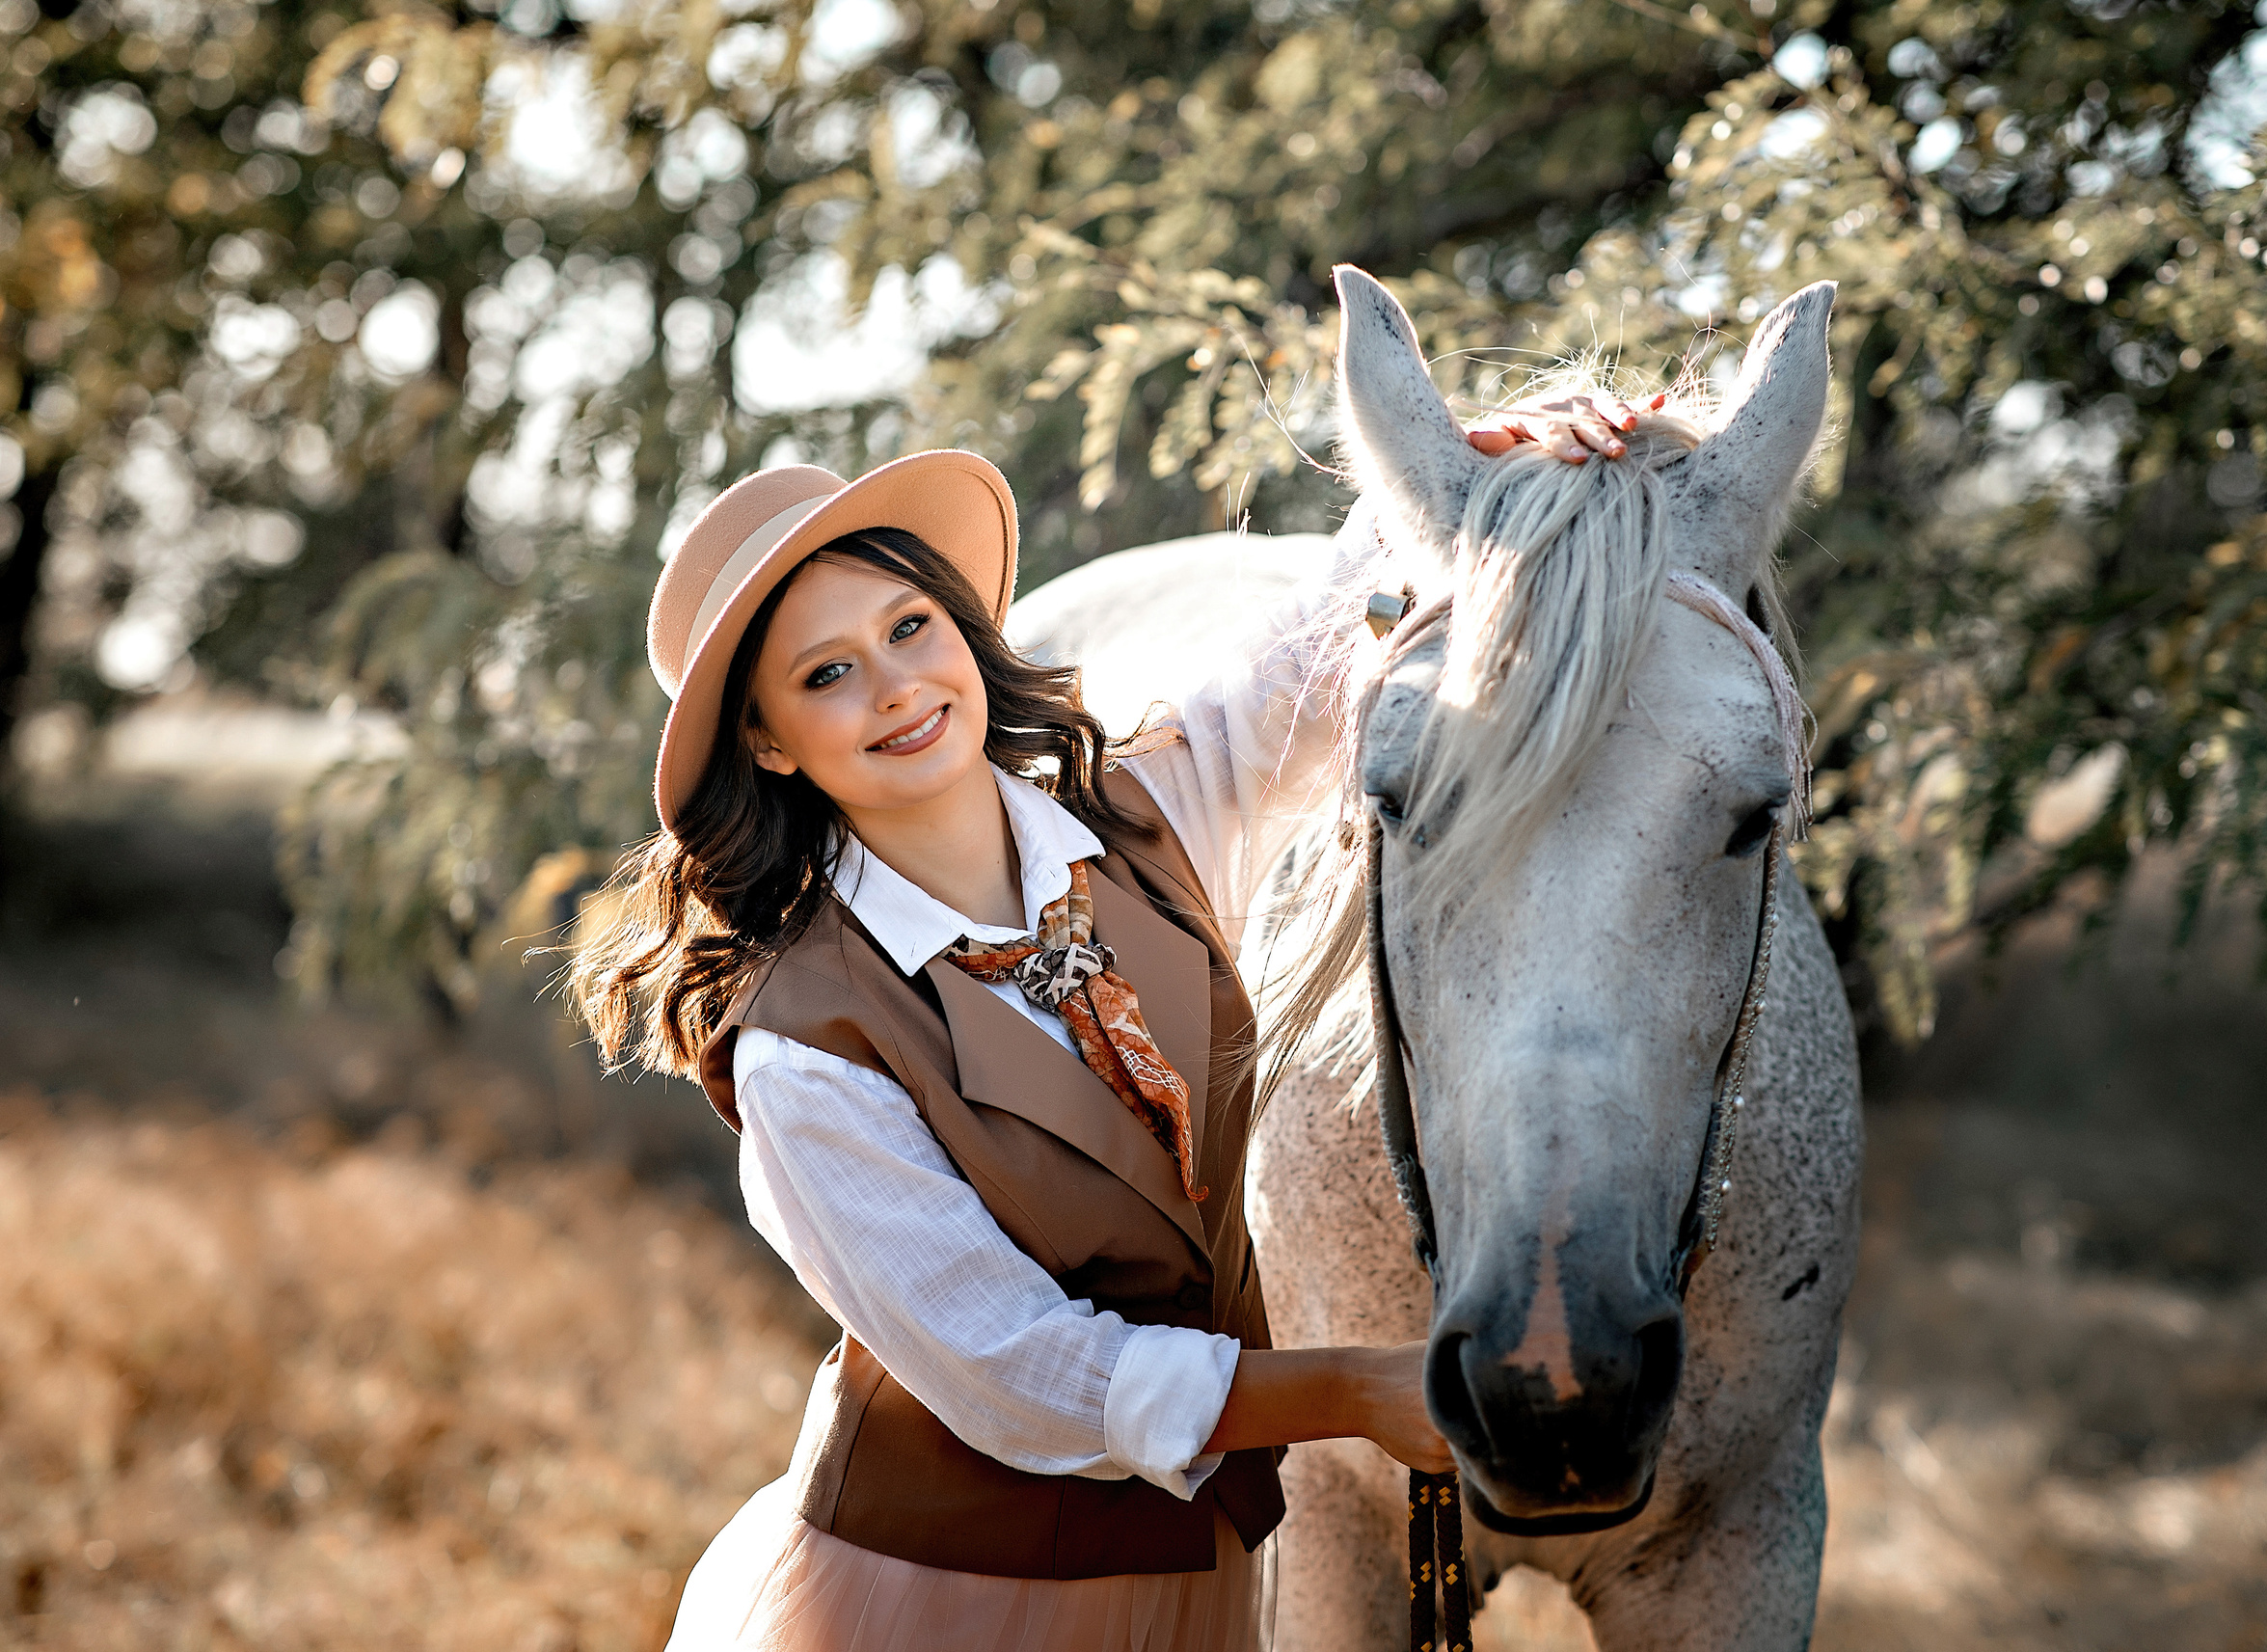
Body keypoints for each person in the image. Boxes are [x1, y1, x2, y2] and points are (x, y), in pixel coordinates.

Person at [570, 394, 1636, 1652]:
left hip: (1200, 1565)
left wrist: (1494, 457)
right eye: (827, 673)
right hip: (941, 1594)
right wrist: (1351, 1386)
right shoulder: (807, 1040)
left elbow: (1312, 656)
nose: (898, 686)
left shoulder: (1140, 823)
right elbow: (1021, 1372)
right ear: (773, 741)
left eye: (911, 626)